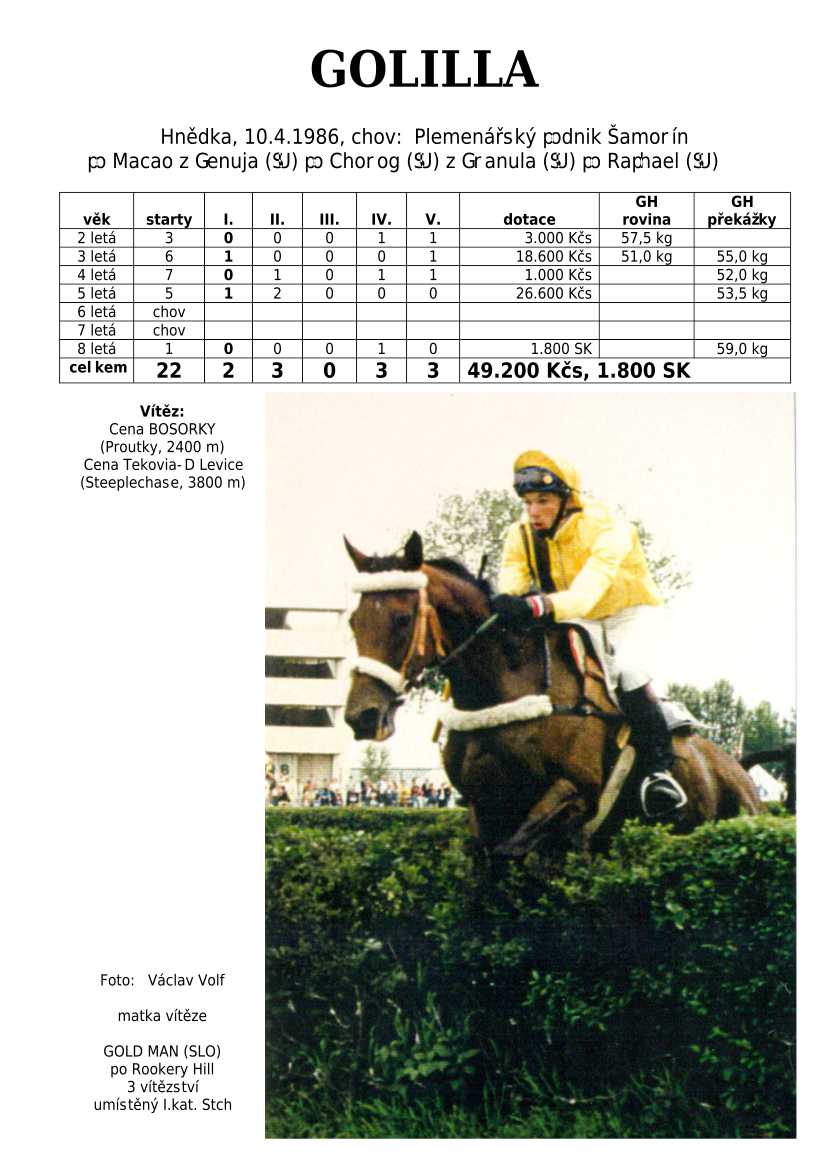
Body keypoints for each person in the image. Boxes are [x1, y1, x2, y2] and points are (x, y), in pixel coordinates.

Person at [491, 449, 686, 820]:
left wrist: (535, 606)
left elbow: (585, 595)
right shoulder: (521, 534)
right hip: (577, 616)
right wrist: (502, 603)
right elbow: (511, 584)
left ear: (567, 500)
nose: (533, 512)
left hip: (629, 613)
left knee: (626, 672)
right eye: (528, 502)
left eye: (543, 501)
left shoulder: (610, 527)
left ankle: (658, 771)